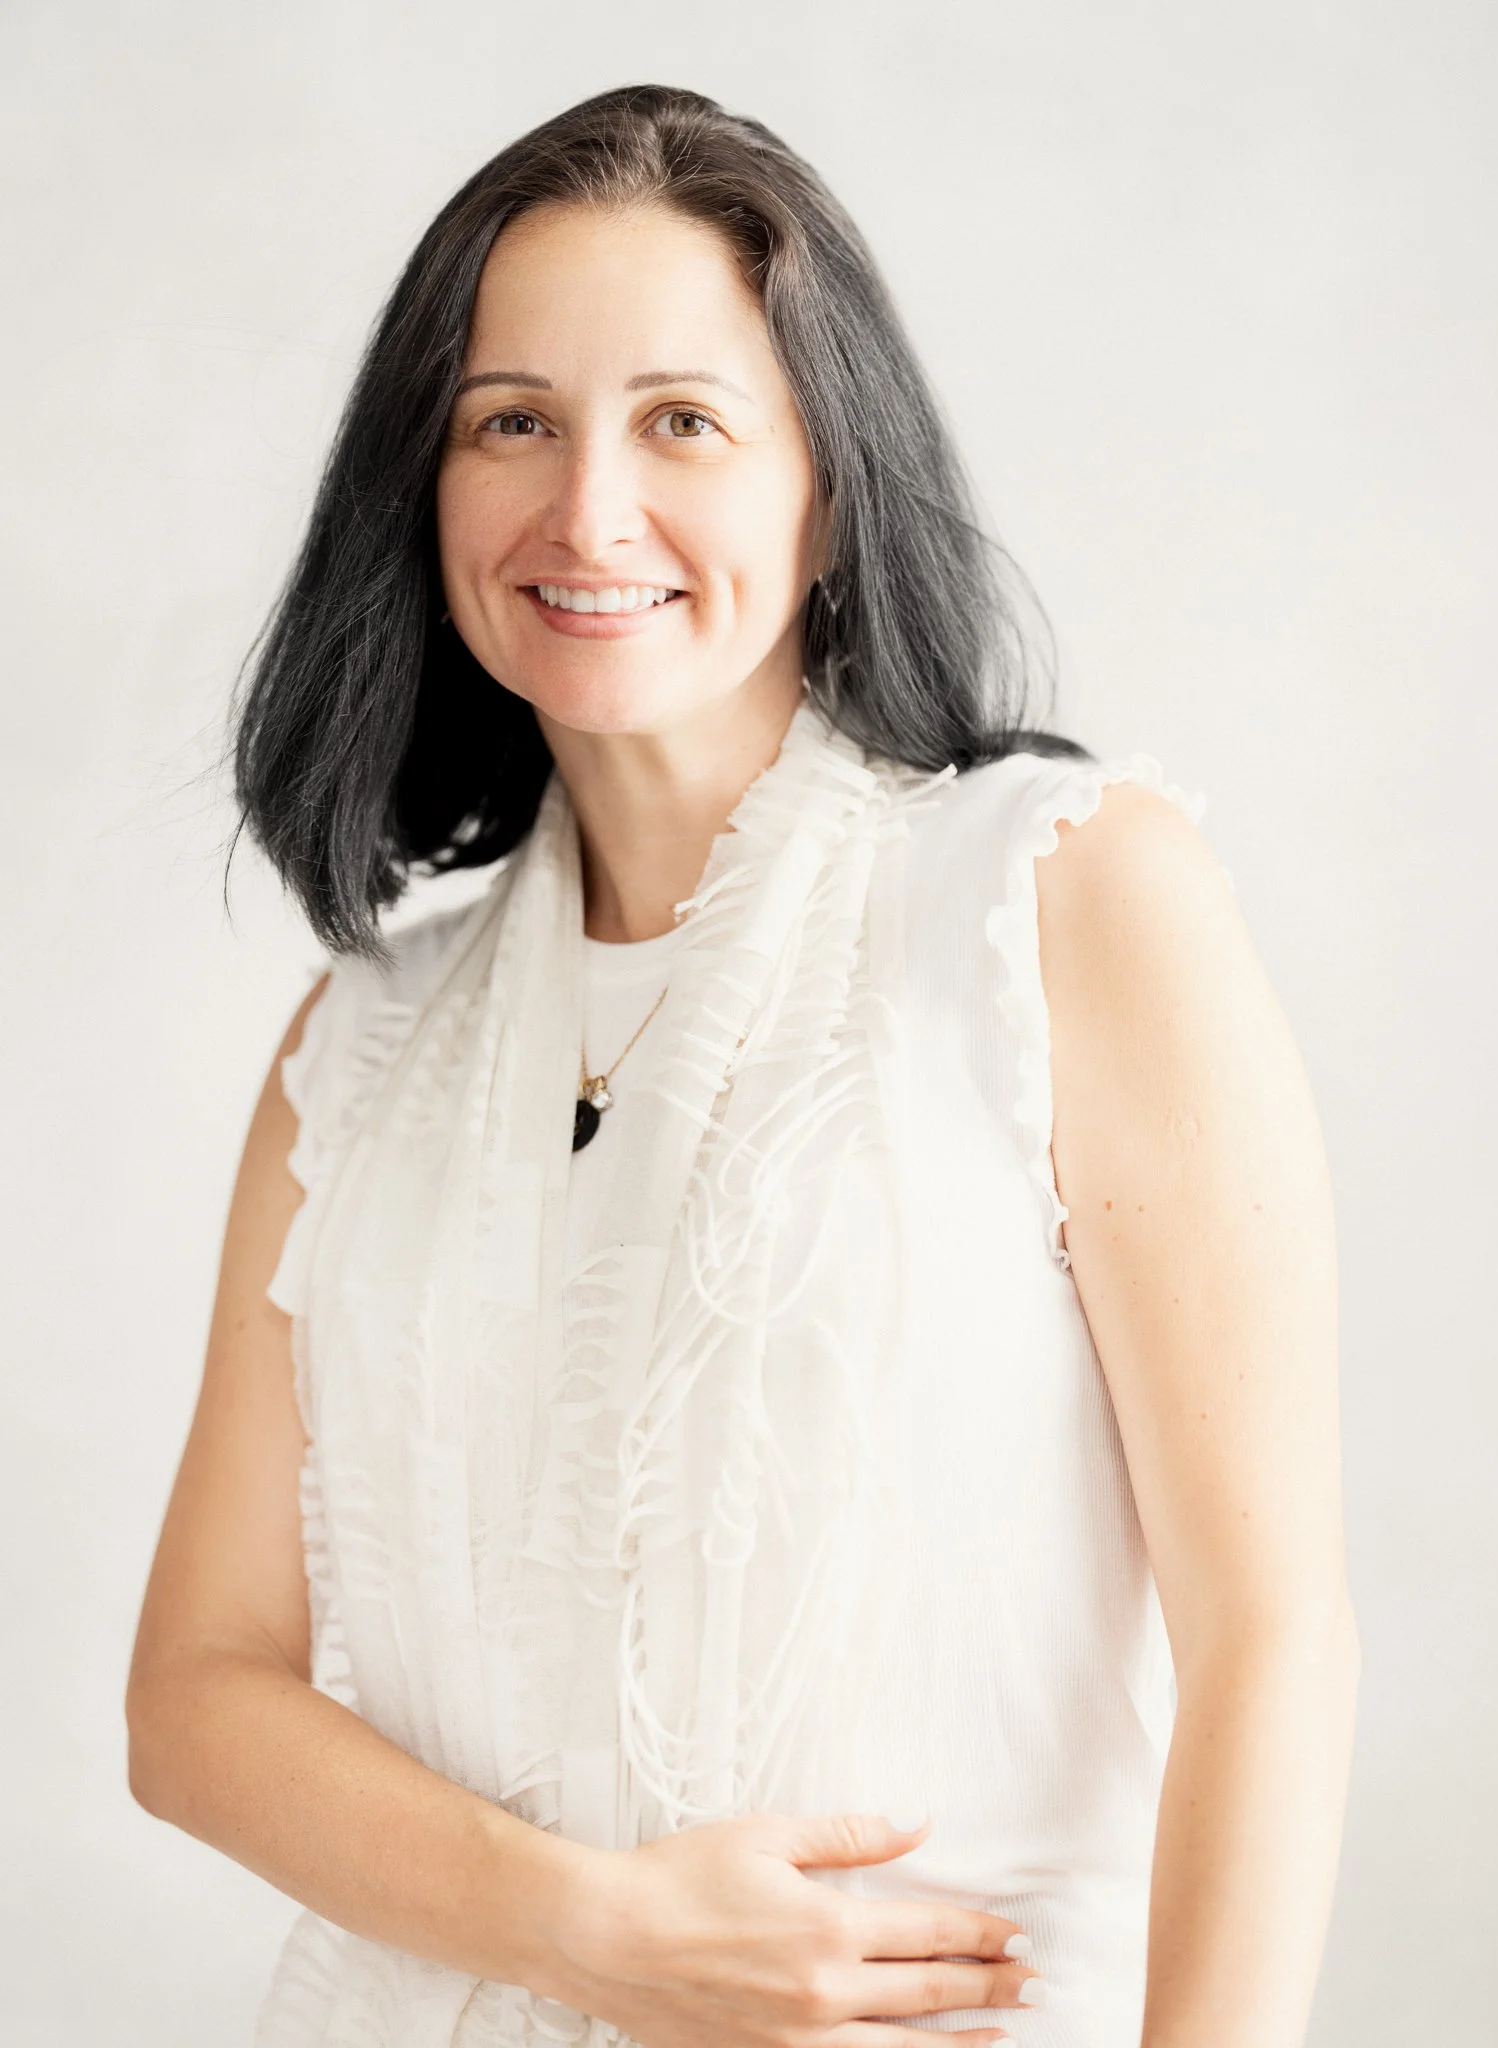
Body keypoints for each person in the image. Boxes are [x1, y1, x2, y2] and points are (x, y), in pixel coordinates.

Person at [126, 83, 1359, 2048]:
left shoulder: (1061, 897)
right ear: (422, 490)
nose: (586, 508)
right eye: (509, 420)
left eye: (682, 421)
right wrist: (584, 1929)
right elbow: (194, 1699)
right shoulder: (351, 1046)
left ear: (830, 484)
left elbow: (1271, 1637)